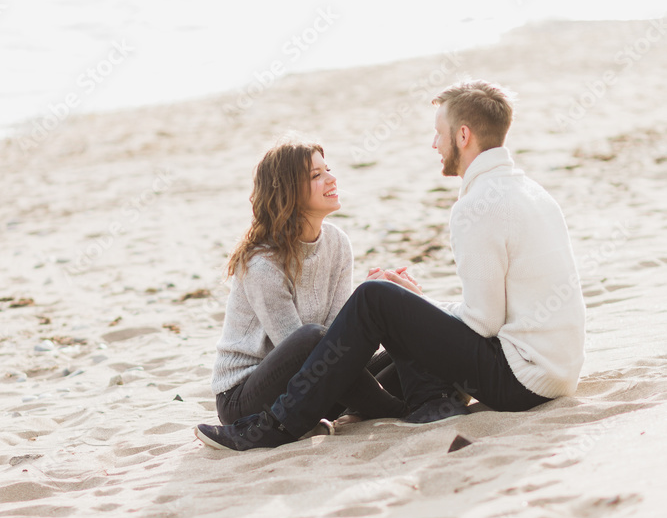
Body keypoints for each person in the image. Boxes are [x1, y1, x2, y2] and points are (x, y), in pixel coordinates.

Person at [196, 80, 586, 451]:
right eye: (317, 174)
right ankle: (416, 402)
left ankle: (280, 426)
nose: (434, 143)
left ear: (463, 136)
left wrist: (411, 307)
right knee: (376, 316)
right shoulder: (532, 192)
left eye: (439, 133)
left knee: (374, 299)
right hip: (553, 373)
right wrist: (410, 312)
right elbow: (321, 348)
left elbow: (482, 322)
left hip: (522, 377)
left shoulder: (477, 207)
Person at [197, 139, 404, 443]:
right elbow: (309, 355)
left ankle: (368, 408)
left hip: (314, 382)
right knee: (312, 339)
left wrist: (373, 311)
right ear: (288, 192)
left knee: (403, 346)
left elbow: (337, 342)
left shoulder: (337, 243)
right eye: (316, 175)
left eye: (328, 169)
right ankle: (396, 409)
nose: (332, 179)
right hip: (245, 397)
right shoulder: (262, 263)